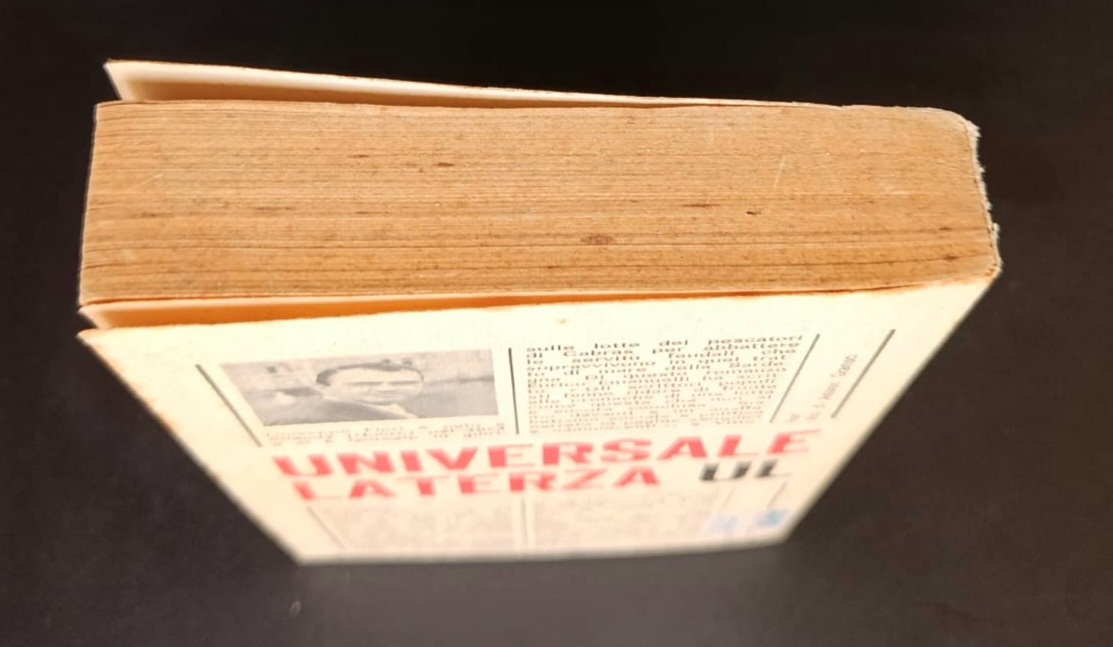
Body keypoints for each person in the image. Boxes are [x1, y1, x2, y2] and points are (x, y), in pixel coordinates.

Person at [262, 360, 426, 425]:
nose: (387, 389)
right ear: (322, 388)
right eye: (364, 385)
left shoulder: (395, 407)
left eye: (404, 383)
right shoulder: (303, 420)